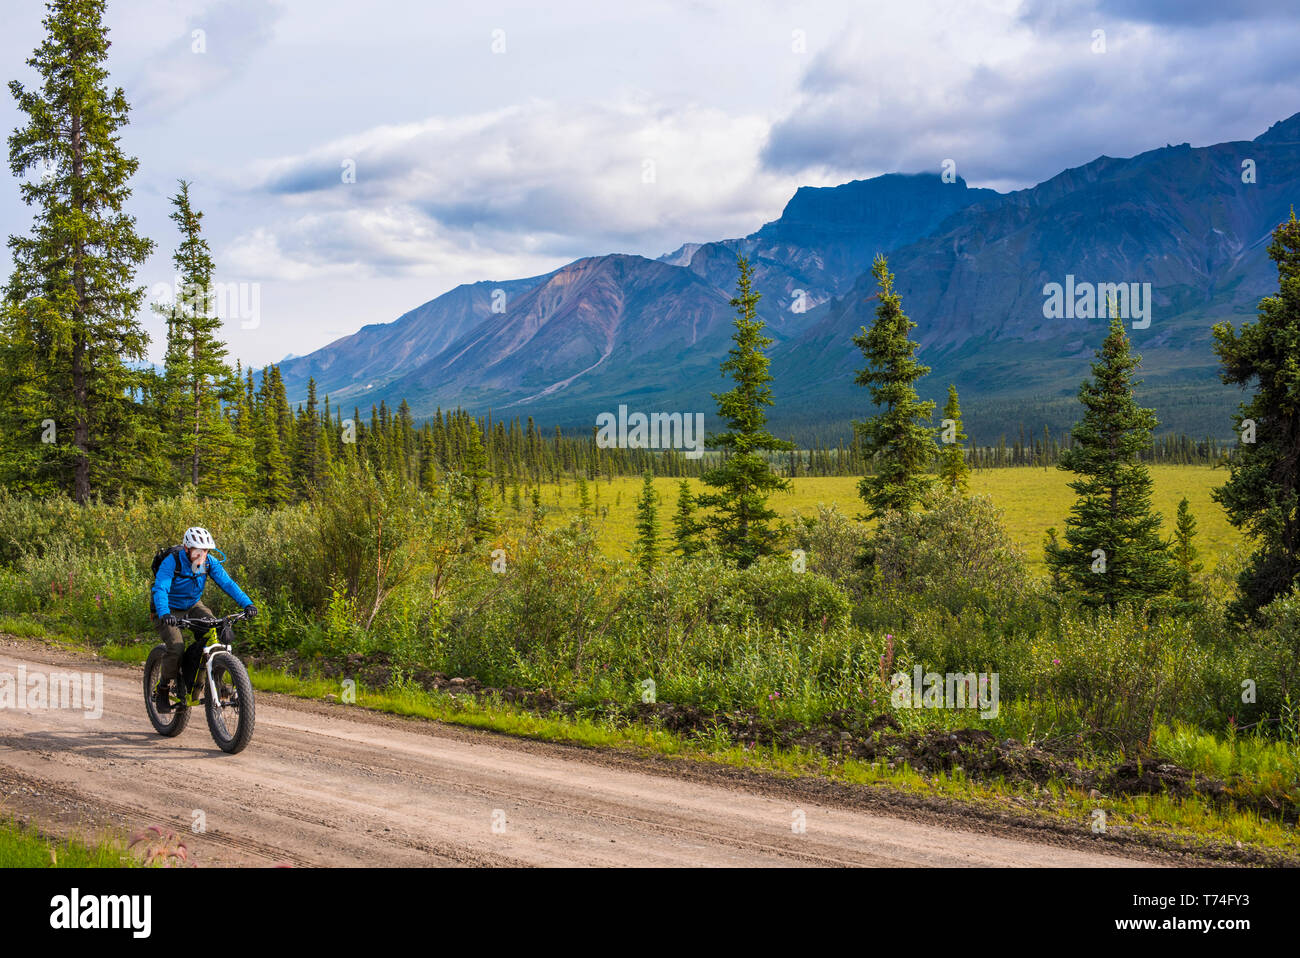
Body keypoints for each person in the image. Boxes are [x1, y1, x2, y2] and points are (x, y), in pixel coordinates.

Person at [150, 526, 257, 712]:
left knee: (217, 632)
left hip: (193, 605)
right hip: (167, 607)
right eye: (198, 551)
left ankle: (214, 679)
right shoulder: (172, 562)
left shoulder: (209, 563)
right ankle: (163, 688)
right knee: (176, 646)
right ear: (186, 549)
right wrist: (165, 613)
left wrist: (247, 604)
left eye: (206, 551)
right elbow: (161, 588)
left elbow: (227, 583)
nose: (202, 555)